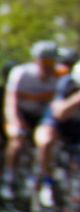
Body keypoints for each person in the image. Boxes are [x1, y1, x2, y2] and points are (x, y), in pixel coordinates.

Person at [3, 41, 60, 195]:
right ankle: (10, 176)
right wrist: (17, 123)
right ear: (36, 60)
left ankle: (46, 179)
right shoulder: (21, 73)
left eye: (51, 62)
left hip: (43, 117)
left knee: (49, 141)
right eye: (45, 61)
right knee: (17, 139)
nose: (48, 66)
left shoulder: (60, 76)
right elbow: (11, 103)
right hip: (21, 114)